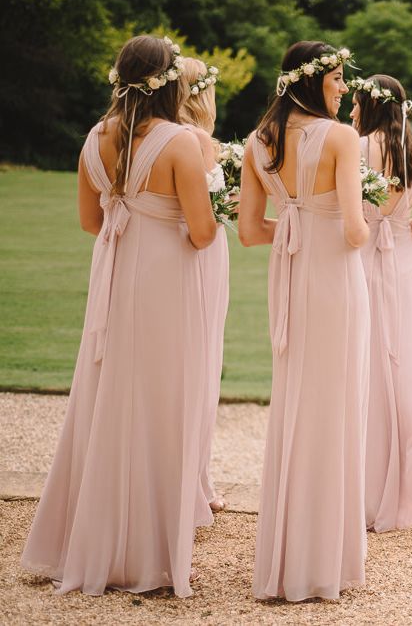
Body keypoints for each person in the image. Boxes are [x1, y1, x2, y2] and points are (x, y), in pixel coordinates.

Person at [21, 35, 217, 597]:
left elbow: (90, 221)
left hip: (113, 271)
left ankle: (89, 540)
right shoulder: (180, 141)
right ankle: (150, 553)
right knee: (161, 403)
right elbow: (202, 233)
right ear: (169, 81)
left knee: (106, 397)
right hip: (164, 280)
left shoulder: (93, 138)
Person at [239, 41, 370, 601]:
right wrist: (369, 214)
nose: (344, 88)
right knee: (335, 403)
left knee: (295, 400)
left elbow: (249, 230)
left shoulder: (256, 141)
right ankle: (323, 562)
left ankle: (286, 557)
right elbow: (355, 230)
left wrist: (295, 224)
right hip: (335, 281)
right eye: (338, 78)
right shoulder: (342, 138)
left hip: (290, 275)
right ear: (313, 81)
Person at [349, 74, 412, 532]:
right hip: (405, 268)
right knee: (404, 370)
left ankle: (357, 489)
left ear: (366, 106)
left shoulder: (351, 148)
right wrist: (398, 226)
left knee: (358, 368)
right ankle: (404, 490)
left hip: (355, 263)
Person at [179, 56, 228, 514]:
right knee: (200, 360)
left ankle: (198, 478)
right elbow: (205, 218)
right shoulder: (196, 140)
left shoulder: (135, 135)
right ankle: (195, 482)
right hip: (199, 252)